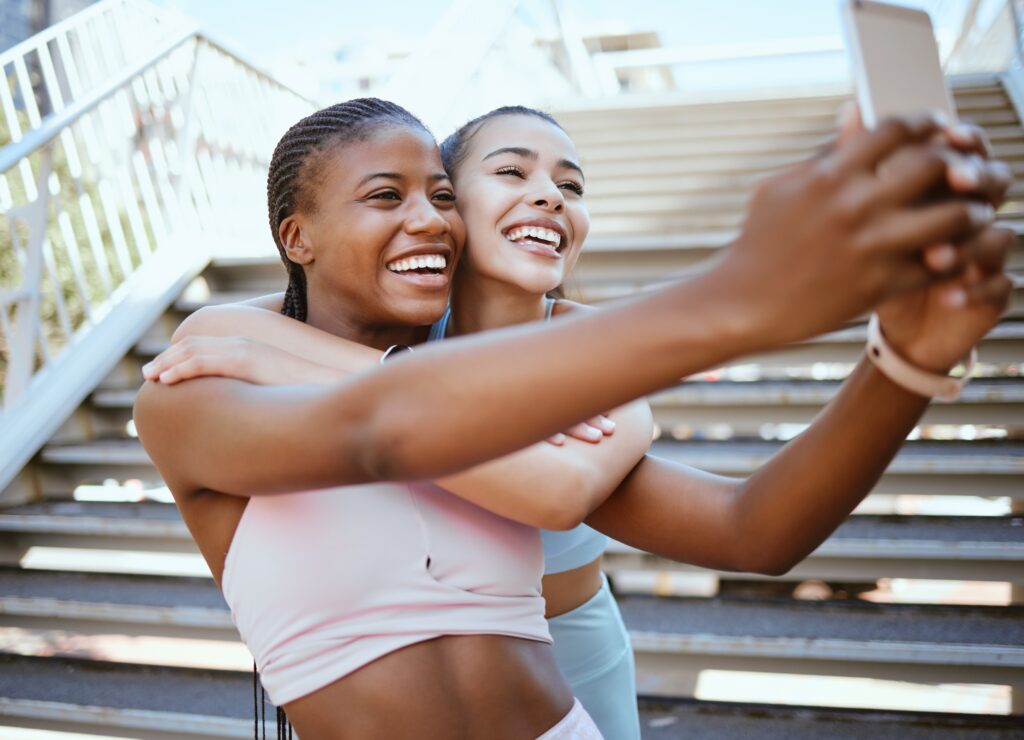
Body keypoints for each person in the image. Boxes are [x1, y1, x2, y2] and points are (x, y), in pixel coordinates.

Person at [135, 98, 1011, 739]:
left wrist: (904, 362)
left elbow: (754, 533)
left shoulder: (495, 395)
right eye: (384, 197)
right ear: (299, 237)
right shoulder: (203, 378)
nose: (428, 220)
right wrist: (741, 297)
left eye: (441, 196)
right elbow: (378, 431)